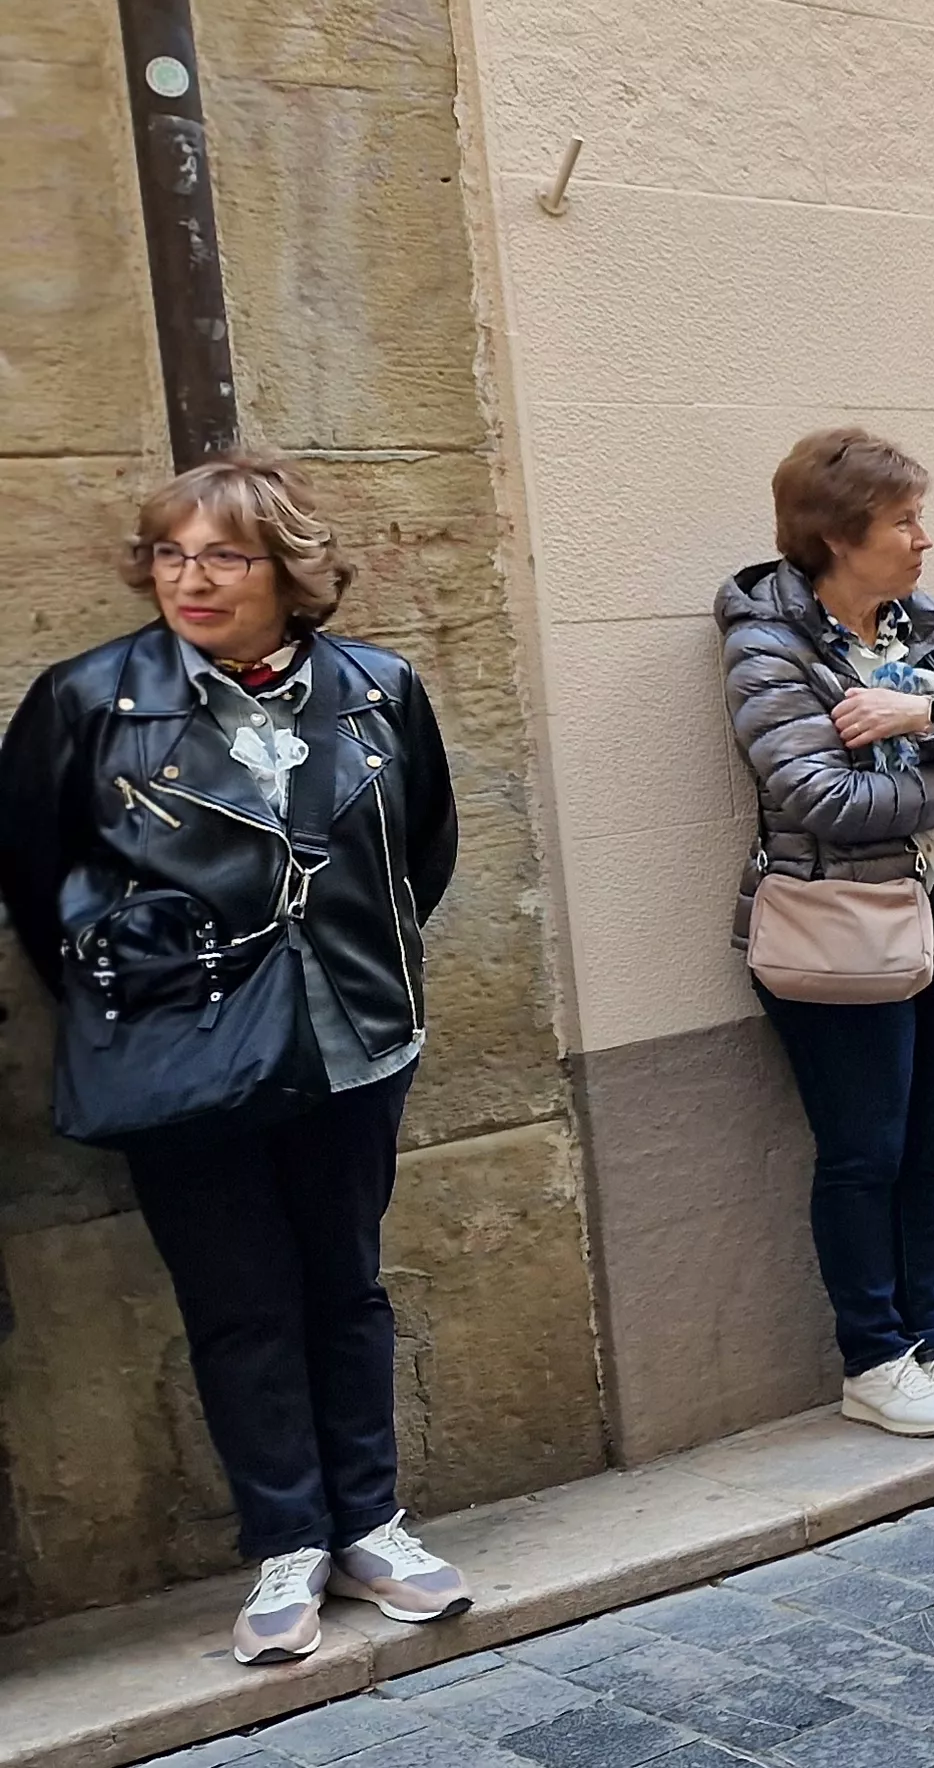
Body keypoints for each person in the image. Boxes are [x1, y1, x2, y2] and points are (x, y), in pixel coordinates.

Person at [0, 452, 473, 1663]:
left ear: (290, 571)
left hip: (354, 1036)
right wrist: (147, 1005)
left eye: (225, 555)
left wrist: (350, 967)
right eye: (171, 553)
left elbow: (422, 853)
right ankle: (287, 1544)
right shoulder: (87, 700)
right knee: (237, 1300)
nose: (191, 579)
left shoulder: (377, 687)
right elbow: (35, 880)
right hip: (179, 1050)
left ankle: (372, 1524)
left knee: (345, 1285)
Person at [719, 430, 934, 1439]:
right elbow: (815, 797)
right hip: (839, 927)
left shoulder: (929, 627)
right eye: (903, 521)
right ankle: (873, 1357)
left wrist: (920, 712)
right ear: (837, 535)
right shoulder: (767, 639)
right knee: (865, 1149)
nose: (923, 539)